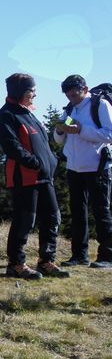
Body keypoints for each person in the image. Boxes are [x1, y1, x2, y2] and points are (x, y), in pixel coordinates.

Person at [0, 73, 69, 280]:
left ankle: (46, 261)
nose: (35, 94)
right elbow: (12, 147)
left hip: (44, 176)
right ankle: (16, 264)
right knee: (25, 220)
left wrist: (52, 160)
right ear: (19, 91)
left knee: (52, 217)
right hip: (23, 176)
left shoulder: (29, 113)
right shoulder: (6, 115)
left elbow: (42, 144)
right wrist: (35, 163)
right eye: (31, 91)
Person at [53, 74, 112, 269]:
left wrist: (81, 130)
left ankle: (107, 256)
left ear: (84, 90)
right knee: (77, 212)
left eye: (74, 95)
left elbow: (109, 134)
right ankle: (79, 255)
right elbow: (59, 140)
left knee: (101, 212)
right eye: (68, 95)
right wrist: (60, 130)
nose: (71, 98)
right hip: (74, 167)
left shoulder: (100, 105)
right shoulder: (70, 108)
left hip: (97, 167)